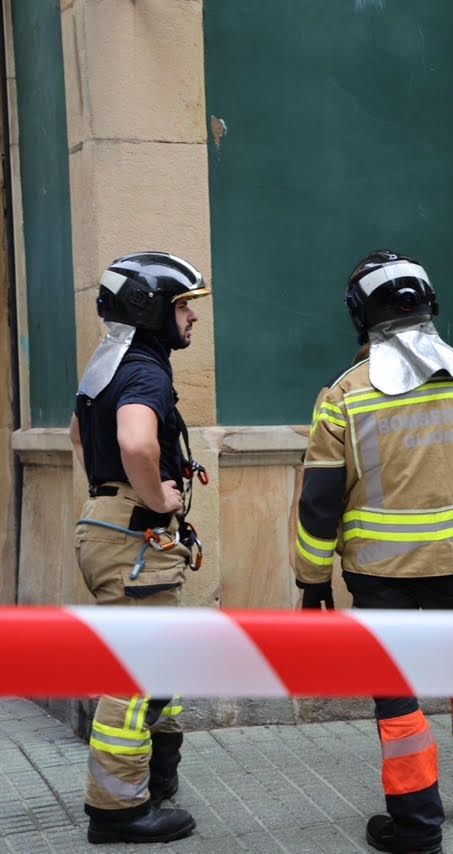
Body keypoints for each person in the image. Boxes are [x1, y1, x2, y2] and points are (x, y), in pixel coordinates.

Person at [293, 250, 453, 853]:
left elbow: (319, 503)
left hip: (378, 575)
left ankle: (417, 827)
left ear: (358, 315)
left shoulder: (344, 396)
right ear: (430, 304)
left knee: (396, 696)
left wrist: (312, 581)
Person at [69, 252, 210, 844]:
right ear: (151, 309)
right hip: (133, 537)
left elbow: (78, 434)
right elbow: (136, 441)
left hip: (113, 529)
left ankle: (157, 776)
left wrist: (111, 497)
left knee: (158, 662)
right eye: (183, 306)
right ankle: (118, 810)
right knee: (135, 673)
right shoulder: (146, 371)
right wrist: (157, 500)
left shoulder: (109, 364)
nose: (192, 318)